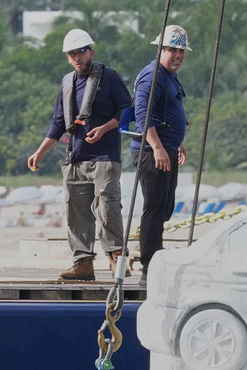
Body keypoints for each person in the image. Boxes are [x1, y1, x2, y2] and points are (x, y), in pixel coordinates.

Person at [27, 28, 132, 281]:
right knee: (76, 212)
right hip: (75, 158)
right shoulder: (66, 83)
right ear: (68, 58)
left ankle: (117, 259)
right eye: (72, 54)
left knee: (108, 207)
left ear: (91, 53)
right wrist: (40, 152)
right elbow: (58, 122)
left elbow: (127, 110)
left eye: (81, 52)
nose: (77, 58)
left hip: (105, 157)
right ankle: (82, 263)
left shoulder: (110, 78)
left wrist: (105, 128)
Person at [125, 24, 190, 284]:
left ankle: (155, 256)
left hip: (167, 148)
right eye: (173, 49)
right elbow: (143, 116)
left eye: (181, 51)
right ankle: (149, 267)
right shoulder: (152, 75)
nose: (178, 55)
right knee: (153, 208)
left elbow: (167, 111)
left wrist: (177, 143)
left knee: (165, 208)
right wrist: (159, 148)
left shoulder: (169, 76)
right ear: (161, 50)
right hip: (152, 151)